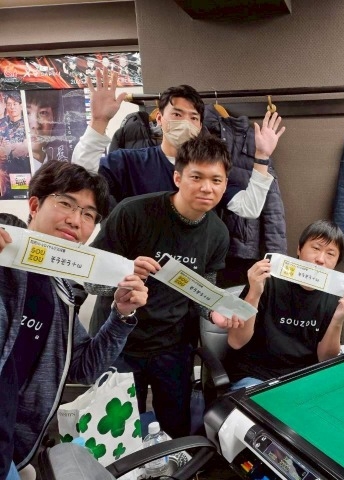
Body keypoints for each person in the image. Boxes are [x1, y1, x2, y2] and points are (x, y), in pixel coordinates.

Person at [86, 135, 242, 439]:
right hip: (119, 343)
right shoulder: (133, 213)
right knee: (116, 433)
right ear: (178, 177)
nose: (206, 188)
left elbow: (202, 292)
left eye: (216, 180)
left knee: (174, 431)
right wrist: (124, 273)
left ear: (225, 185)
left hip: (173, 346)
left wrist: (213, 313)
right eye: (196, 177)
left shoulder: (218, 234)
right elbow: (90, 281)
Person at [0, 161, 148, 478]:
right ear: (34, 205)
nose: (75, 220)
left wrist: (121, 315)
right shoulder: (4, 261)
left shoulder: (62, 290)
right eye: (66, 203)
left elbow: (84, 367)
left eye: (88, 214)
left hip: (14, 444)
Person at [72, 67, 284, 218]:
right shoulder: (129, 162)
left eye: (193, 118)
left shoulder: (207, 171)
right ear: (159, 118)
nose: (185, 122)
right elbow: (81, 179)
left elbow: (249, 208)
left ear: (200, 126)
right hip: (135, 264)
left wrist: (262, 157)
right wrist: (99, 122)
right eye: (177, 114)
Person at [224, 220, 344, 390]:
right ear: (299, 249)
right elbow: (236, 341)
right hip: (255, 376)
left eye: (330, 254)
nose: (320, 259)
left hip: (302, 380)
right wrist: (254, 293)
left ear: (336, 262)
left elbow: (325, 359)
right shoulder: (266, 281)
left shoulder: (336, 296)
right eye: (316, 248)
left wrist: (338, 320)